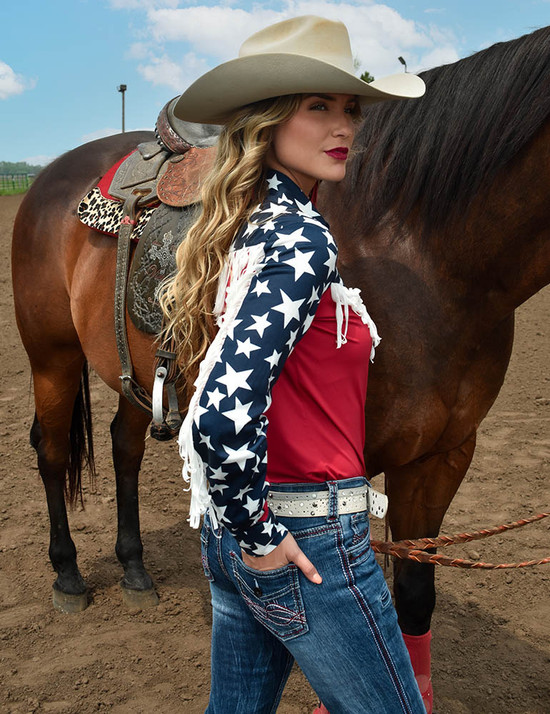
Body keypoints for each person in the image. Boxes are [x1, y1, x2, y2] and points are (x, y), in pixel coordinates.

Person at [160, 15, 427, 714]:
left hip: (236, 529)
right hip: (305, 538)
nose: (344, 126)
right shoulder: (304, 239)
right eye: (318, 106)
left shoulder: (249, 224)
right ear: (268, 120)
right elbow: (220, 416)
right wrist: (263, 537)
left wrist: (244, 530)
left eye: (349, 108)